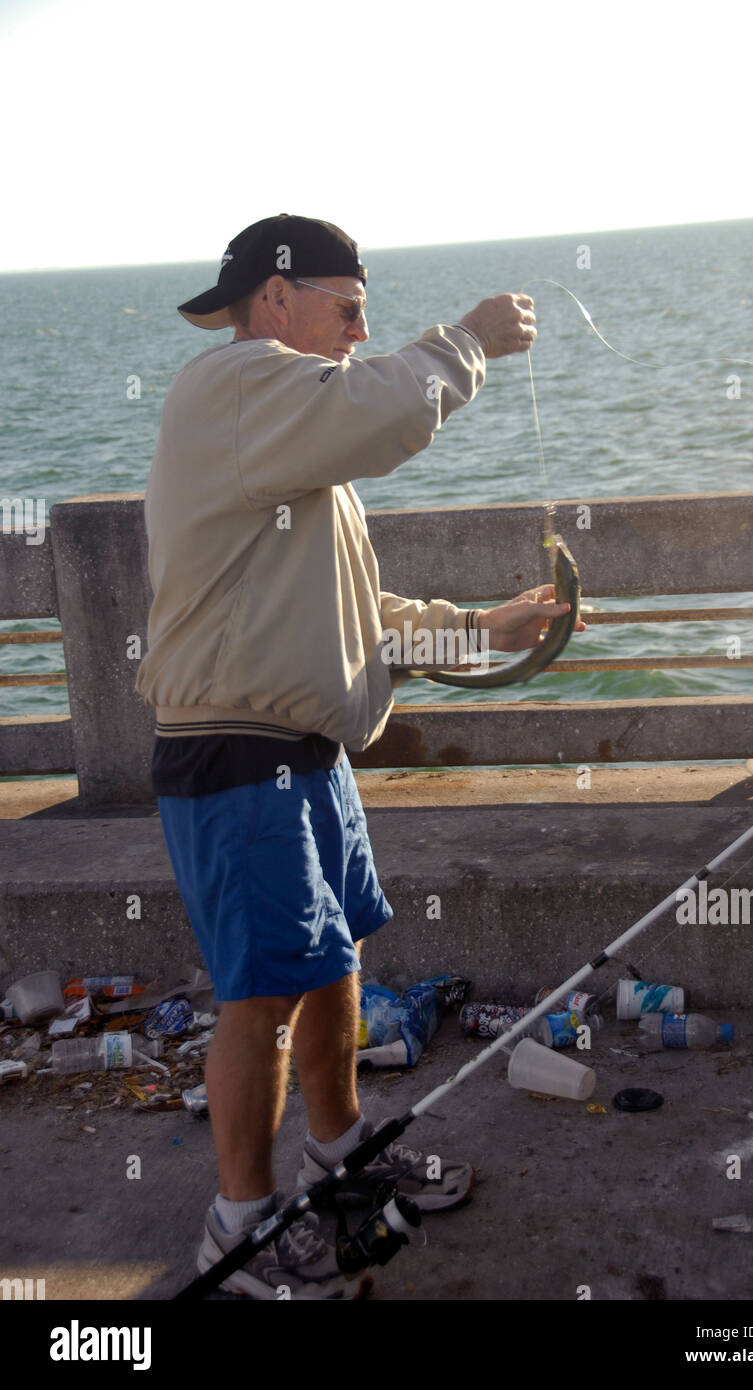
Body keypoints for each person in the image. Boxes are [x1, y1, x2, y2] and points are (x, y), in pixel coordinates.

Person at [134, 213, 579, 1299]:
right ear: (275, 300)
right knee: (260, 997)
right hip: (235, 753)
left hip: (309, 754)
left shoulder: (292, 443)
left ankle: (343, 1162)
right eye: (349, 302)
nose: (362, 324)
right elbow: (384, 410)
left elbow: (356, 616)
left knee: (333, 965)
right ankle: (237, 1230)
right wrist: (467, 339)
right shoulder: (231, 384)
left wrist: (481, 628)